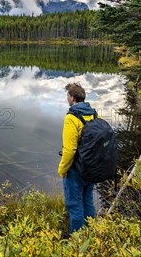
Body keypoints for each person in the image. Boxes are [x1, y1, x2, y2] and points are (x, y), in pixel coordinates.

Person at [58, 82, 97, 233]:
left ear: (72, 98)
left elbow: (69, 150)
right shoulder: (93, 113)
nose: (67, 98)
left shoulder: (71, 118)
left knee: (74, 206)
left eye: (67, 95)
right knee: (87, 202)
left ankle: (77, 242)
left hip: (76, 170)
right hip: (91, 168)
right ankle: (91, 234)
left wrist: (62, 170)